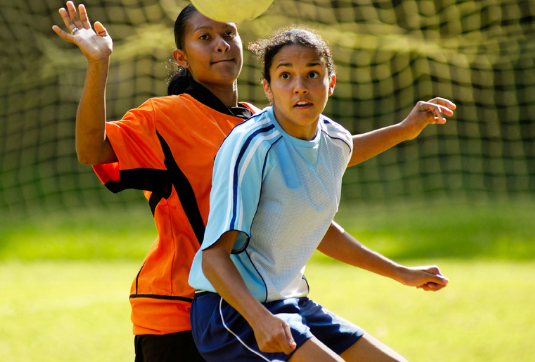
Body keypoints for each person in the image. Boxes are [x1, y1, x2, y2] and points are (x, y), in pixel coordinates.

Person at [52, 3, 455, 362]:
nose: (222, 44)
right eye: (205, 37)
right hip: (179, 309)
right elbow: (92, 149)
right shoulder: (166, 116)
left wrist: (404, 130)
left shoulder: (260, 120)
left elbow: (332, 157)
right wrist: (97, 64)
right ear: (182, 57)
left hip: (257, 300)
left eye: (229, 33)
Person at [188, 27, 452, 362]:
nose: (300, 86)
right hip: (233, 312)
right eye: (285, 75)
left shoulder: (334, 139)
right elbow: (213, 258)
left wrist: (402, 272)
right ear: (267, 88)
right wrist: (260, 319)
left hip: (290, 303)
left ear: (331, 82)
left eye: (312, 73)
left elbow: (322, 223)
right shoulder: (251, 145)